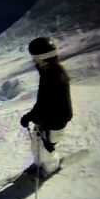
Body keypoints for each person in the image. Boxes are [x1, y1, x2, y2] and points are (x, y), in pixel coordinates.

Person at [20, 37, 73, 177]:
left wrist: (36, 118)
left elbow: (51, 104)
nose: (33, 61)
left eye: (35, 58)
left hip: (54, 122)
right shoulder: (48, 72)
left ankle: (50, 168)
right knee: (37, 145)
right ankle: (38, 165)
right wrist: (31, 116)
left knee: (46, 149)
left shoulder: (54, 77)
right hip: (46, 120)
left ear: (41, 58)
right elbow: (43, 102)